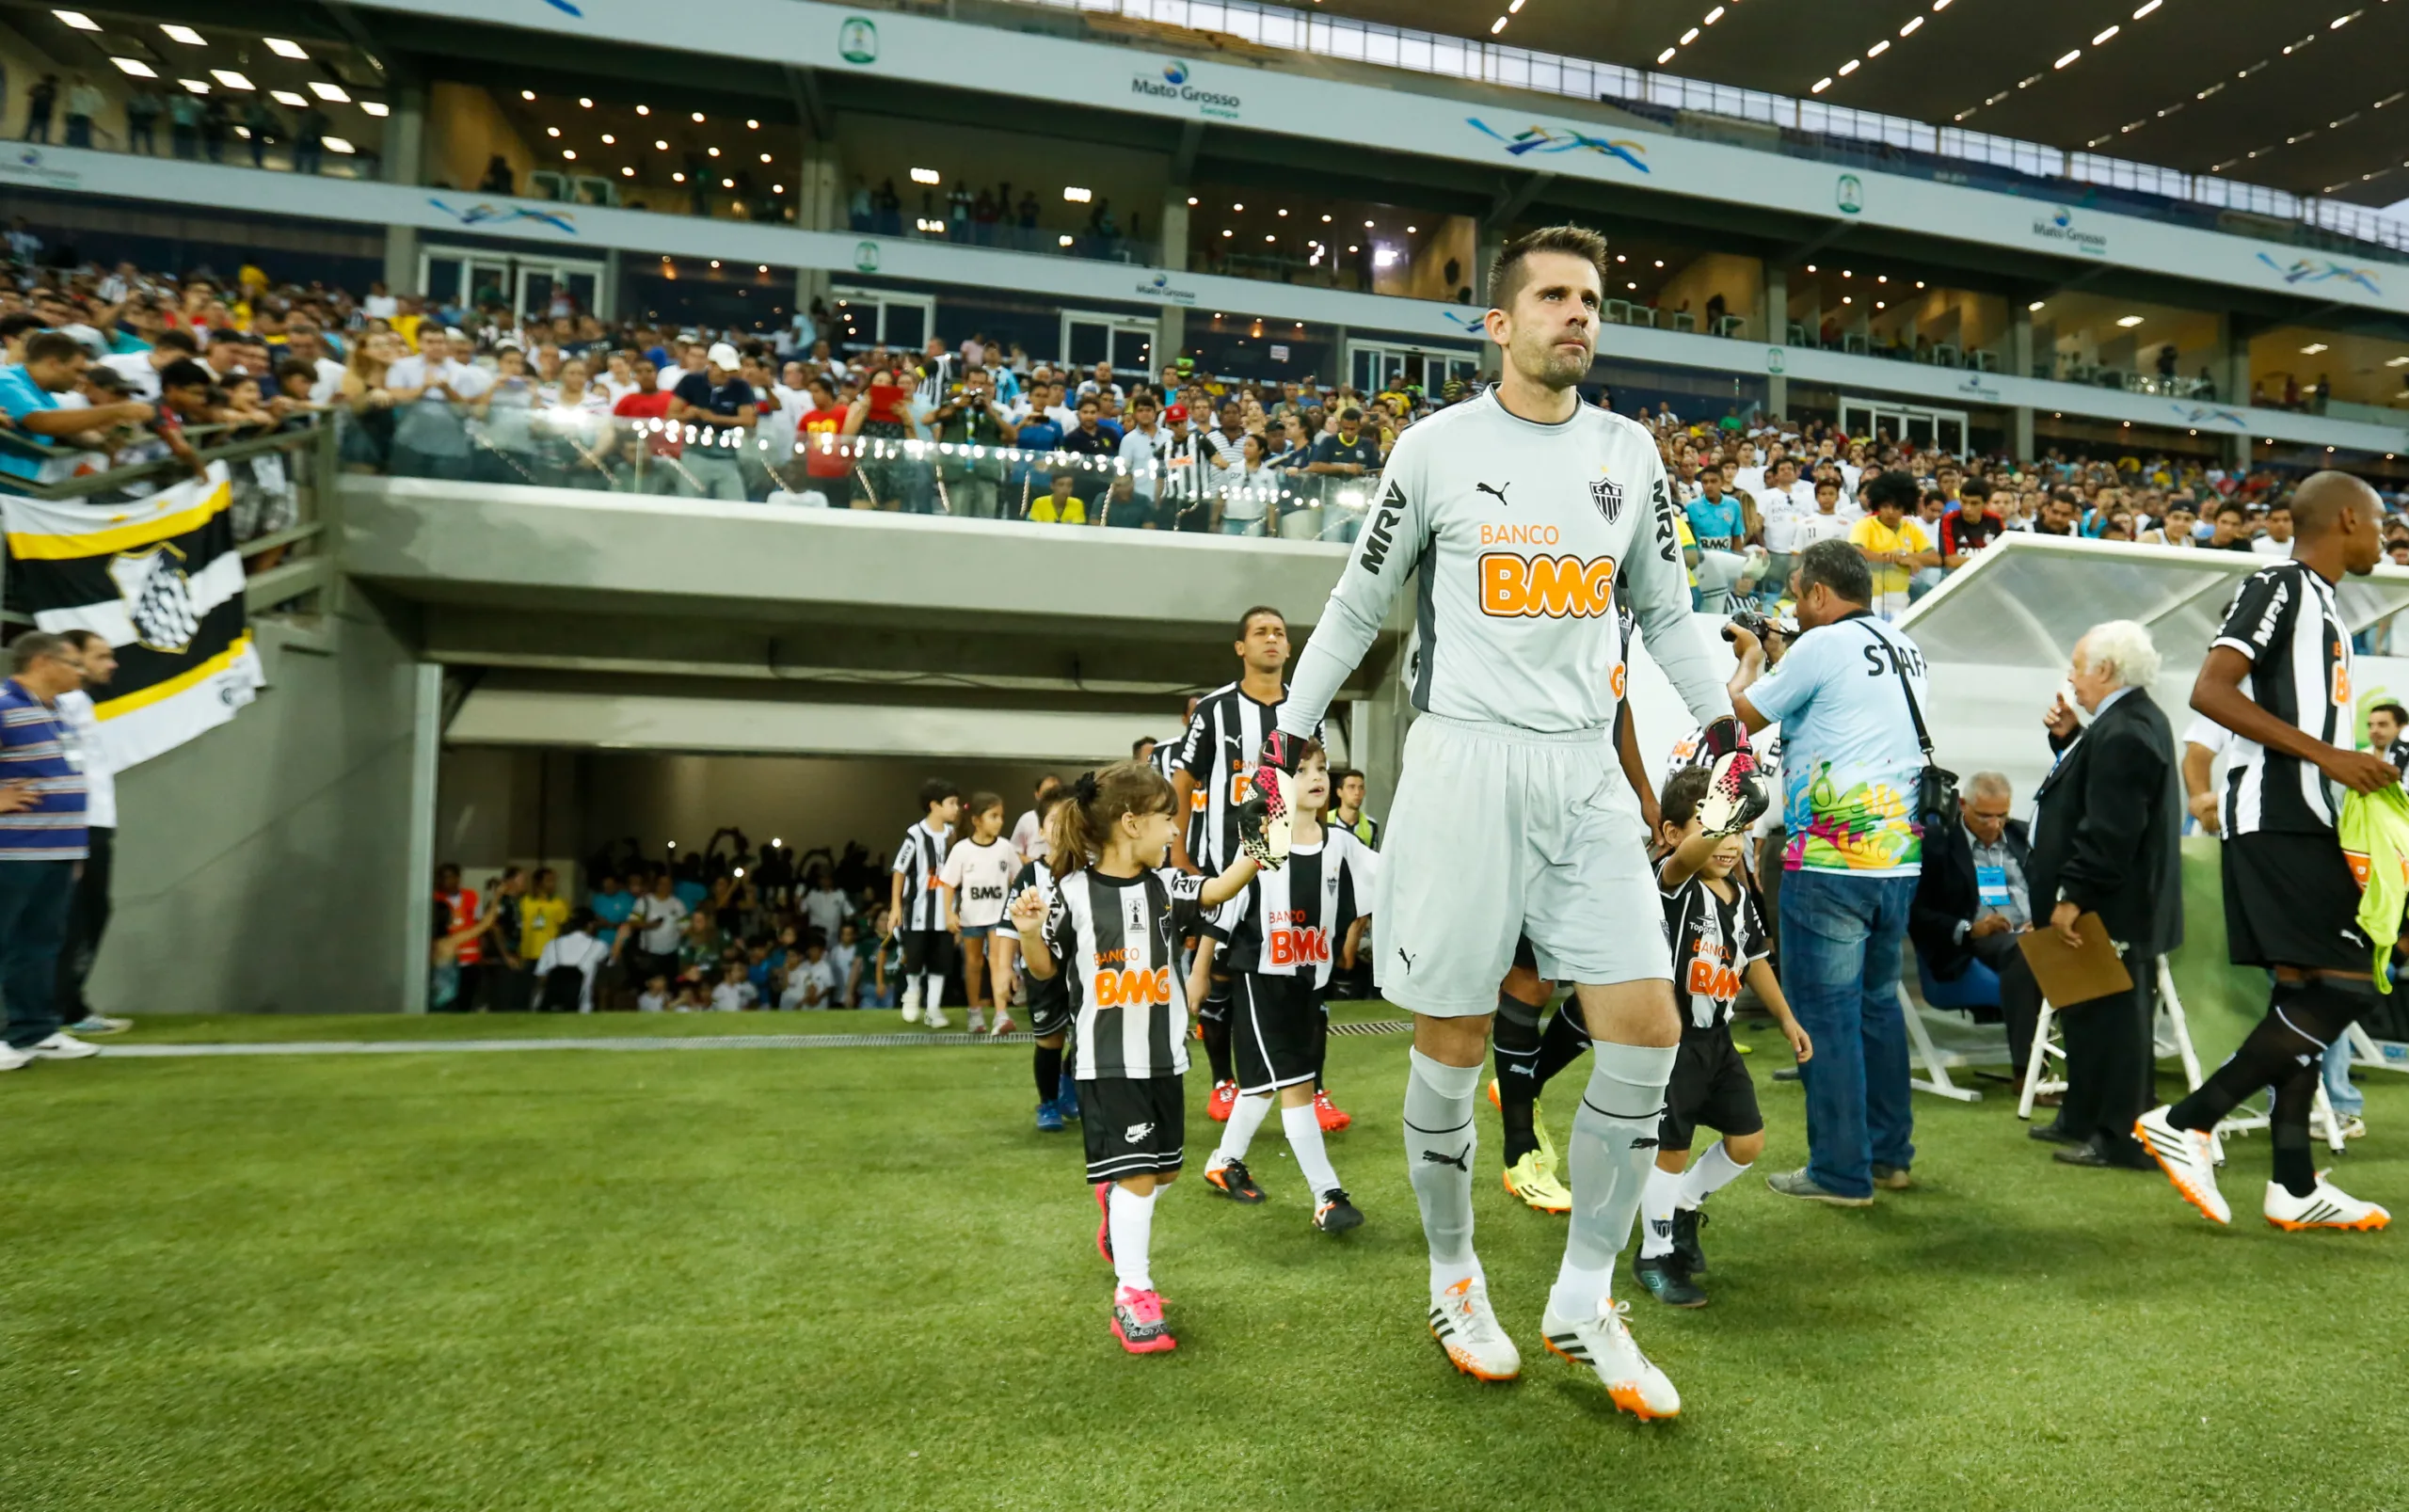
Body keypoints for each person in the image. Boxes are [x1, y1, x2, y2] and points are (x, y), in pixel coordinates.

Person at [1256, 227, 1762, 1419]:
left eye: (1591, 298)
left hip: (1584, 772)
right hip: (1464, 766)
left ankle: (1584, 1296)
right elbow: (1359, 597)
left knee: (1644, 1030)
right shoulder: (1434, 450)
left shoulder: (1629, 454)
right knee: (1453, 1042)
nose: (1577, 314)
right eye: (1552, 296)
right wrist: (1294, 720)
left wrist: (1720, 719)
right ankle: (1453, 1274)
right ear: (1499, 323)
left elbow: (1667, 609)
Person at [2134, 471, 2399, 1232]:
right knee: (2350, 980)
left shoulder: (2326, 603)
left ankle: (2291, 1181)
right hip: (2277, 814)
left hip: (2306, 816)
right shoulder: (2280, 582)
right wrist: (2331, 757)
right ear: (2347, 517)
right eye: (2379, 521)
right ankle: (2189, 1118)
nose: (2385, 534)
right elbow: (2212, 692)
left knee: (2301, 994)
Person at [1007, 761, 1261, 1355]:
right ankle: (1134, 1294)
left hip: (1165, 1058)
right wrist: (1026, 932)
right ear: (1129, 822)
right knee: (1141, 1178)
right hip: (1105, 1062)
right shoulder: (1068, 893)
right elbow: (1044, 970)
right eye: (1166, 819)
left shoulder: (1168, 886)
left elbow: (1221, 888)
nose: (1174, 831)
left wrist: (1261, 844)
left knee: (1162, 1172)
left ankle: (1117, 1201)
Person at [1729, 538, 1927, 1207]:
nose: (1795, 607)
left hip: (1831, 857)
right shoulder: (1904, 644)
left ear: (1818, 593)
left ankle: (1841, 1170)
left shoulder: (1819, 646)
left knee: (1825, 1013)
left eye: (1797, 593)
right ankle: (1888, 1155)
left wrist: (1754, 658)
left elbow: (1744, 715)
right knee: (1877, 1006)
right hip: (1897, 855)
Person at [1631, 767, 1811, 1309]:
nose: (1730, 842)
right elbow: (1689, 855)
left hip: (1717, 1040)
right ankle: (1654, 1254)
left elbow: (1753, 959)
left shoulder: (1736, 892)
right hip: (1672, 1041)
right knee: (1671, 1149)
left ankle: (1682, 1207)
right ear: (1671, 833)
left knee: (1747, 1141)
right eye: (1717, 828)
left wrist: (1785, 1017)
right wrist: (1722, 813)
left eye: (1740, 830)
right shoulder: (1671, 879)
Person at [1172, 607, 1338, 1129]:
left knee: (1305, 971)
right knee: (1221, 972)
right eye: (1260, 632)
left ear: (1289, 650)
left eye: (1280, 633)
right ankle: (1225, 1082)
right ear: (1241, 648)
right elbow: (1183, 781)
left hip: (1291, 864)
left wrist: (1322, 843)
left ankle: (1312, 1087)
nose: (1272, 639)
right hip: (1227, 862)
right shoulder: (1215, 709)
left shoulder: (1306, 711)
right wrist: (1179, 852)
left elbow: (1318, 782)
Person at [2027, 621, 2185, 1170]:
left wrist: (2075, 892)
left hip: (2111, 904)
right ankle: (2084, 1114)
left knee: (2117, 1020)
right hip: (2110, 900)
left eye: (2076, 665)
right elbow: (2097, 791)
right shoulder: (2124, 723)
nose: (2071, 677)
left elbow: (2112, 828)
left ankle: (2121, 1135)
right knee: (2087, 1013)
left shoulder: (2125, 730)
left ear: (2104, 670)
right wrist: (2071, 738)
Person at [1199, 742, 1371, 1233]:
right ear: (1276, 782)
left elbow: (1390, 879)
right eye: (1301, 770)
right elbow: (1226, 906)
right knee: (1297, 1084)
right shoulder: (1262, 837)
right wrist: (1199, 971)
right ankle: (1328, 1196)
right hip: (1261, 976)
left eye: (1321, 769)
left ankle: (1224, 1160)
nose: (1315, 777)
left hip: (1308, 984)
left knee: (1260, 1088)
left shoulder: (1340, 844)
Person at [0, 633, 102, 1068]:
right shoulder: (3, 703)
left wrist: (74, 850)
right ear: (43, 662)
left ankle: (34, 1031)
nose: (81, 672)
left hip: (56, 848)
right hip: (12, 849)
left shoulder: (55, 710)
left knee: (41, 944)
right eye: (73, 663)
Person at [1908, 772, 2042, 1095]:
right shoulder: (1937, 844)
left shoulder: (2023, 836)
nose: (1995, 824)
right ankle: (2028, 1073)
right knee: (2023, 952)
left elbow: (2048, 885)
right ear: (1964, 805)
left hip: (2032, 933)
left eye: (2002, 815)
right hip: (1974, 943)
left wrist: (2043, 919)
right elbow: (1917, 912)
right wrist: (1970, 929)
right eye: (1985, 816)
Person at [50, 630, 128, 1036]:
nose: (111, 664)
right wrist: (71, 835)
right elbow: (65, 770)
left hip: (90, 824)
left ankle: (66, 1006)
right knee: (73, 918)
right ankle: (58, 1010)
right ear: (71, 657)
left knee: (85, 915)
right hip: (77, 826)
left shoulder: (80, 703)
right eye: (101, 656)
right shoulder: (60, 703)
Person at [942, 791, 1021, 1036]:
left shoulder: (1005, 848)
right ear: (976, 820)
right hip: (971, 918)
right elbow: (948, 884)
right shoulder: (962, 850)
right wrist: (948, 913)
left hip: (999, 917)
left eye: (1001, 816)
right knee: (974, 964)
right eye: (993, 816)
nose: (999, 821)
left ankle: (1001, 1014)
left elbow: (1018, 878)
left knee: (998, 962)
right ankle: (975, 1012)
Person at [889, 778, 961, 1028]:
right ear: (934, 805)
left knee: (941, 962)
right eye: (951, 803)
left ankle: (933, 1009)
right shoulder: (915, 834)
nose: (956, 808)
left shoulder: (954, 836)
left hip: (946, 913)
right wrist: (896, 907)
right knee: (916, 958)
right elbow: (899, 870)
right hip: (918, 910)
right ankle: (911, 995)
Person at [534, 910, 609, 1012]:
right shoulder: (600, 946)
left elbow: (541, 977)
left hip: (548, 1005)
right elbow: (611, 963)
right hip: (581, 1007)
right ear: (590, 925)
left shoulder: (551, 944)